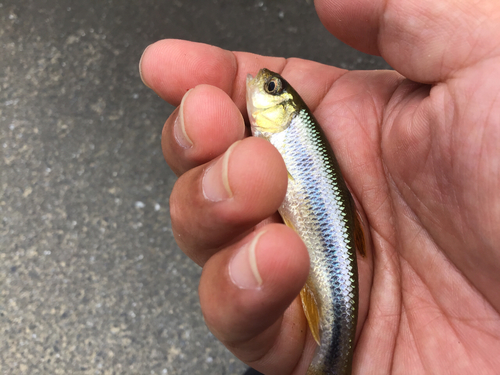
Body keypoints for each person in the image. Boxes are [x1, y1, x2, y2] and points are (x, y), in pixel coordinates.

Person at [139, 0, 500, 373]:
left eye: (271, 87)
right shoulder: (284, 130)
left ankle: (332, 358)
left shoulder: (287, 129)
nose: (259, 85)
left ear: (283, 107)